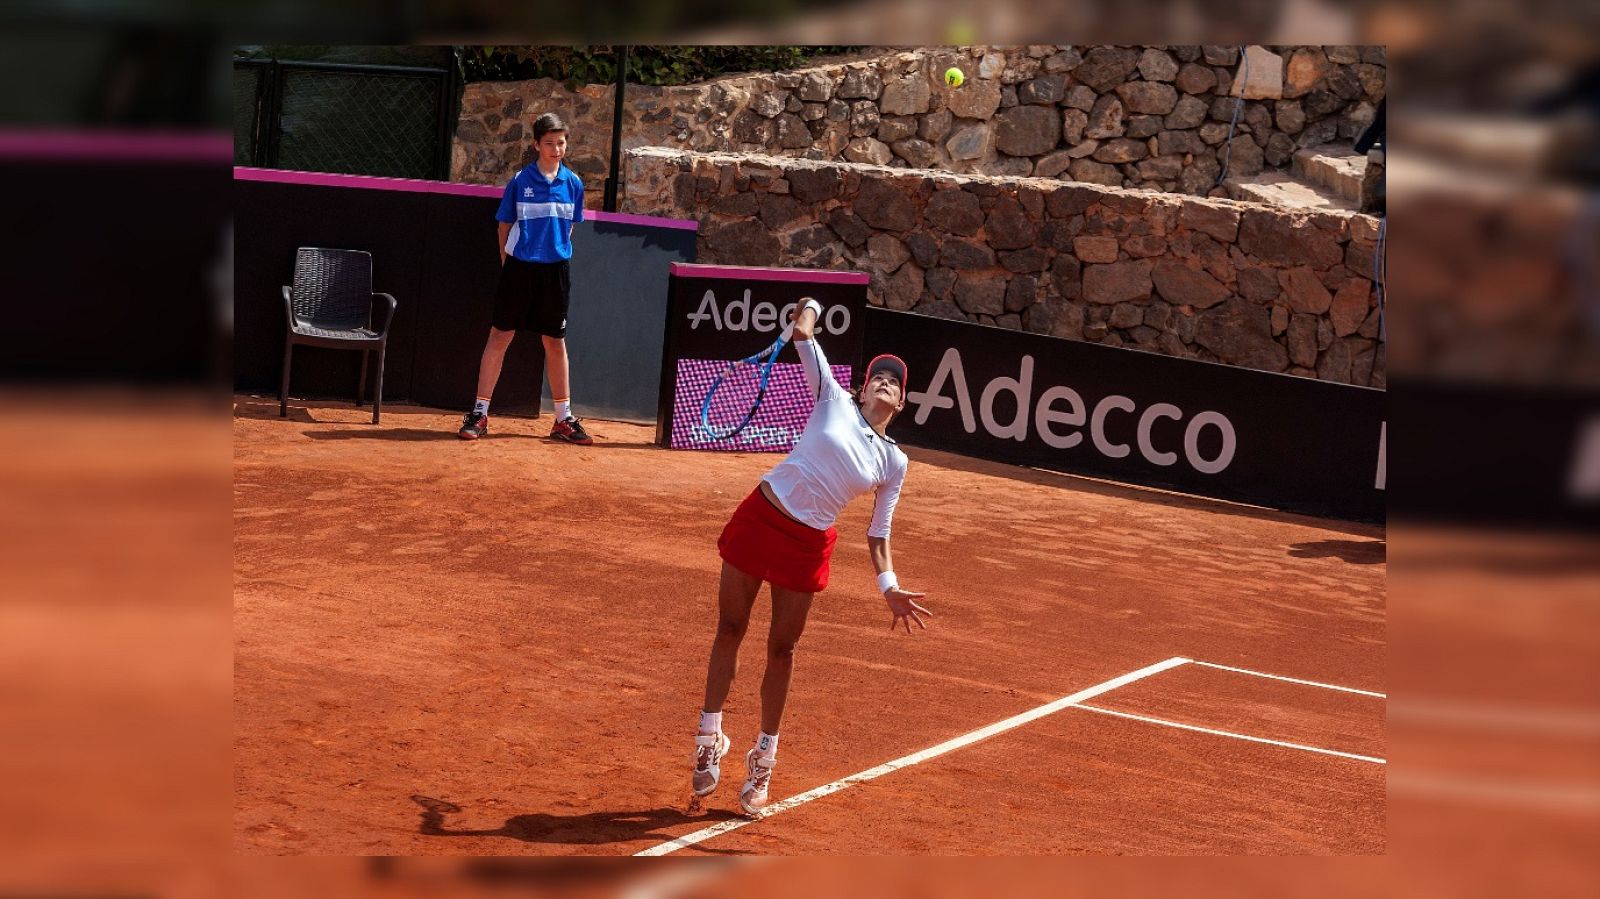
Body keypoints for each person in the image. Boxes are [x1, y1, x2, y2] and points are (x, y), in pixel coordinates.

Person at [690, 297, 932, 817]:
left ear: (902, 402)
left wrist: (889, 587)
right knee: (730, 628)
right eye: (878, 377)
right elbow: (802, 332)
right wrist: (811, 304)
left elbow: (878, 530)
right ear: (863, 386)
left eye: (895, 382)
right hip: (762, 517)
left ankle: (763, 759)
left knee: (783, 651)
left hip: (807, 544)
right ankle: (708, 736)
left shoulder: (895, 460)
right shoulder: (832, 396)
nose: (885, 383)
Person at [458, 112, 592, 445]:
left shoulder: (574, 184)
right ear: (536, 144)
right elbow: (503, 227)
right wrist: (510, 263)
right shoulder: (520, 182)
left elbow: (569, 227)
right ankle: (479, 413)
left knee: (555, 342)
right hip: (519, 268)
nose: (557, 149)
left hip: (556, 271)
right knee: (499, 336)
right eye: (549, 143)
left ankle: (563, 419)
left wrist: (552, 253)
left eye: (561, 143)